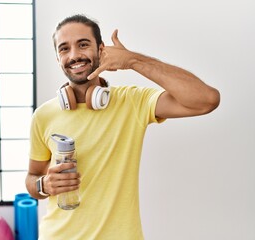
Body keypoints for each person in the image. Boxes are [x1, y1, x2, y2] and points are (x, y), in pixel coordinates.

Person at [25, 14, 220, 240]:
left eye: (83, 44)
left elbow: (207, 100)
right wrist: (44, 184)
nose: (74, 55)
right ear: (58, 58)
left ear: (101, 50)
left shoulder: (132, 102)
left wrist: (133, 60)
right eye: (64, 48)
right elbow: (32, 178)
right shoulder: (43, 116)